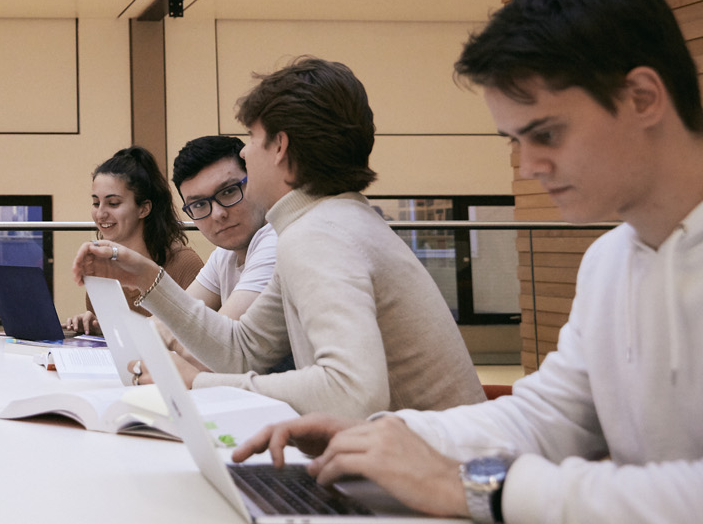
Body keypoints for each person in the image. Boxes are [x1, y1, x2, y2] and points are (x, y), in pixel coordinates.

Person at [233, 0, 703, 523]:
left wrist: (483, 489)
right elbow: (545, 416)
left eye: (546, 134)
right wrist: (387, 435)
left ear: (642, 97)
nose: (528, 168)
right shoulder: (610, 262)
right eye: (515, 141)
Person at [73, 57, 484, 419]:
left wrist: (199, 384)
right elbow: (242, 349)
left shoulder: (320, 233)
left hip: (437, 475)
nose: (247, 153)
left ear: (280, 147)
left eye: (252, 139)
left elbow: (351, 393)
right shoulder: (324, 222)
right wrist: (149, 279)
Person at [65, 147, 204, 333]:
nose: (100, 214)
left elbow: (199, 335)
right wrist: (95, 324)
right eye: (96, 203)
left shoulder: (184, 264)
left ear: (144, 209)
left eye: (113, 203)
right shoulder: (99, 268)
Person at [171, 136, 276, 320]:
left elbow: (221, 340)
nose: (217, 214)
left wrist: (143, 275)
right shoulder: (224, 254)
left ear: (256, 179)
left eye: (228, 192)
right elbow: (178, 319)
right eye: (199, 205)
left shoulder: (276, 240)